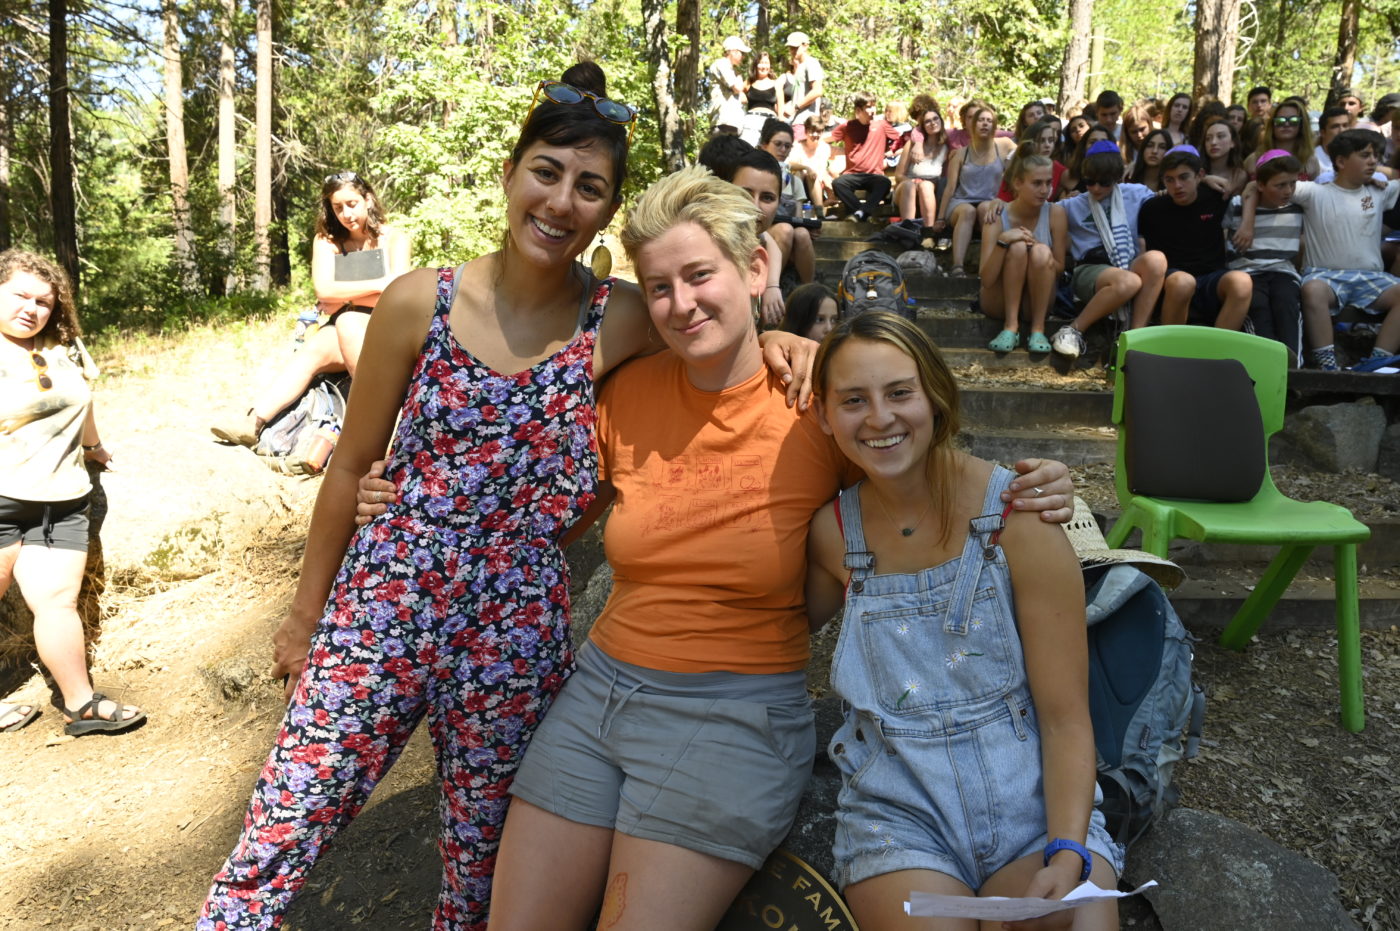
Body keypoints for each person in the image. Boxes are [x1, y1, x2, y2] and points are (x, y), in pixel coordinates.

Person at [197, 78, 813, 931]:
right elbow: (349, 468)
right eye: (546, 172)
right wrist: (305, 618)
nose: (561, 202)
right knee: (287, 816)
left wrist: (781, 337)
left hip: (516, 625)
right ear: (509, 174)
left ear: (607, 212)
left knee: (479, 862)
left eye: (589, 187)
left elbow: (708, 333)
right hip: (385, 600)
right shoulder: (420, 300)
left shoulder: (621, 317)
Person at [457, 166, 1075, 931]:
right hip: (599, 692)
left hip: (734, 714)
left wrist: (1036, 485)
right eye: (659, 287)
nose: (680, 304)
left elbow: (929, 475)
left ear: (754, 268)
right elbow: (538, 513)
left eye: (699, 275)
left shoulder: (818, 405)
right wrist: (401, 495)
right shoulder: (626, 392)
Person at [806, 312, 1121, 931]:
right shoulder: (833, 534)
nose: (879, 418)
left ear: (935, 395)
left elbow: (1064, 716)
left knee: (1071, 920)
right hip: (899, 821)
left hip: (1033, 807)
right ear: (824, 415)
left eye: (900, 392)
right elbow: (771, 630)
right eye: (853, 400)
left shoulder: (1020, 516)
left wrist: (1068, 848)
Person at [0, 249, 144, 737]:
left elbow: (82, 401)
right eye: (21, 295)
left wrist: (94, 447)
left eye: (43, 301)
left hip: (61, 501)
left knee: (57, 604)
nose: (32, 308)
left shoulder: (60, 346)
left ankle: (81, 705)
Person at [211, 172, 411, 451]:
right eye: (338, 207)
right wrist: (378, 285)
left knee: (348, 320)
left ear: (368, 200)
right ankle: (254, 422)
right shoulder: (327, 241)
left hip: (383, 324)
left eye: (352, 204)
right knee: (315, 347)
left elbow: (398, 291)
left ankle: (380, 423)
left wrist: (344, 295)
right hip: (341, 326)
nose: (346, 214)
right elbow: (324, 292)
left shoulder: (395, 238)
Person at [1238, 130, 1400, 371]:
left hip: (1371, 277)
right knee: (1312, 290)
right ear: (1341, 161)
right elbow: (1255, 186)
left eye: (1376, 155)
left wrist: (1381, 176)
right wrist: (1247, 223)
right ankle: (1328, 366)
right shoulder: (1313, 192)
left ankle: (1377, 362)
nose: (1373, 161)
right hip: (1325, 277)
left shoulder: (1380, 191)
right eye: (1365, 155)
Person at [1051, 141, 1169, 359]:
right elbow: (1035, 209)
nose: (1096, 188)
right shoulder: (1073, 204)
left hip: (1127, 263)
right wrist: (997, 204)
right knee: (1128, 282)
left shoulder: (1137, 194)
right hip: (1091, 268)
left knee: (1156, 260)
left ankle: (1134, 339)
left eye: (1104, 183)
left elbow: (1170, 197)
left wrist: (1206, 180)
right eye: (1090, 182)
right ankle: (1072, 330)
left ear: (1116, 179)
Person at [1139, 146, 1253, 331]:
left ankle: (1219, 346)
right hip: (1173, 279)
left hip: (1212, 277)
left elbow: (1251, 188)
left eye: (1184, 177)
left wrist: (1247, 224)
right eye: (1170, 180)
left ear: (1199, 175)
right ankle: (1170, 345)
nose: (1177, 185)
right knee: (1183, 282)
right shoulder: (1152, 208)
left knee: (1242, 282)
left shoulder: (1217, 197)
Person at [979, 143, 1068, 354]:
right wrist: (1003, 241)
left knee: (1041, 251)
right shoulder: (997, 215)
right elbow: (986, 279)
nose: (1044, 190)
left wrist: (1036, 247)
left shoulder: (1055, 213)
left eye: (1048, 183)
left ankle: (1038, 329)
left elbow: (1059, 269)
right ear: (1018, 183)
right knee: (1017, 247)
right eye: (1037, 183)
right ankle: (1010, 326)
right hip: (998, 299)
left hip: (1035, 300)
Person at [1222, 151, 1306, 361]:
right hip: (1247, 271)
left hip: (1282, 271)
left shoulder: (1298, 206)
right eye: (1280, 185)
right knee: (1257, 306)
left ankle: (1292, 366)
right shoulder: (1237, 205)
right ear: (1261, 185)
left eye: (1292, 184)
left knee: (1287, 302)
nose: (1288, 191)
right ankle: (1264, 362)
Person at [936, 105, 1016, 275]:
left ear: (994, 126)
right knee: (968, 211)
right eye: (980, 120)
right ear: (973, 125)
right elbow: (950, 187)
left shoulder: (1004, 145)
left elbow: (1027, 152)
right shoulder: (960, 154)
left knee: (986, 208)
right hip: (961, 202)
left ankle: (987, 268)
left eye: (989, 121)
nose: (985, 124)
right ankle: (957, 266)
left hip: (990, 201)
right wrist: (940, 217)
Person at [759, 118, 817, 285]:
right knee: (785, 230)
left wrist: (810, 227)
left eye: (787, 146)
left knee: (802, 233)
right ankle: (771, 286)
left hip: (787, 234)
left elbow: (798, 218)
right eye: (778, 144)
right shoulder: (756, 175)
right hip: (760, 231)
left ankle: (809, 288)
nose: (783, 150)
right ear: (765, 145)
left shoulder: (794, 182)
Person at [828, 92, 902, 222]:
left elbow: (903, 140)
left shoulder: (881, 125)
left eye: (874, 106)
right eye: (869, 107)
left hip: (875, 175)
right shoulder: (848, 126)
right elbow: (826, 139)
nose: (873, 110)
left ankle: (858, 214)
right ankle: (863, 213)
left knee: (885, 183)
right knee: (838, 183)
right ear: (858, 110)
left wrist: (891, 152)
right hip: (852, 174)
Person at [893, 105, 949, 235]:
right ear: (923, 126)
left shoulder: (946, 147)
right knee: (910, 185)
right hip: (906, 188)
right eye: (927, 121)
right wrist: (914, 182)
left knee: (926, 186)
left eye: (935, 119)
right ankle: (908, 232)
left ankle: (928, 232)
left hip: (930, 190)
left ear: (941, 120)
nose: (932, 123)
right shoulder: (913, 144)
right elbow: (899, 175)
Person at [997, 119, 1066, 201]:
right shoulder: (1015, 169)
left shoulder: (1058, 168)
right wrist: (998, 202)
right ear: (1030, 142)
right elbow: (1002, 200)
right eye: (1041, 141)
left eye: (1051, 140)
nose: (1047, 145)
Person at [1244, 98, 1314, 178]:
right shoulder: (1254, 159)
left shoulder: (1310, 161)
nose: (1286, 124)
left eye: (1294, 120)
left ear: (1302, 125)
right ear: (1272, 125)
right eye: (1280, 121)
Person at [788, 114, 836, 210]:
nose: (815, 135)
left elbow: (822, 171)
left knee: (813, 176)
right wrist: (807, 168)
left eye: (818, 132)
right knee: (799, 172)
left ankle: (819, 210)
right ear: (806, 131)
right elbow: (791, 165)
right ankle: (795, 207)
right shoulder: (797, 146)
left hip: (816, 184)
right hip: (799, 183)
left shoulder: (824, 148)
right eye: (812, 131)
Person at [1056, 123, 1114, 200]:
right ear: (1084, 146)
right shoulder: (1068, 176)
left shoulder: (1120, 176)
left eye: (1103, 142)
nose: (1098, 146)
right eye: (1093, 142)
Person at [783, 32, 825, 134]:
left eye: (795, 47)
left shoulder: (811, 63)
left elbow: (817, 91)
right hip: (797, 121)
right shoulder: (800, 66)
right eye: (790, 48)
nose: (792, 51)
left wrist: (795, 107)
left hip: (807, 122)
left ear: (805, 46)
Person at [709, 36, 750, 134]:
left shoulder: (732, 70)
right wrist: (739, 76)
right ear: (733, 51)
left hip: (733, 122)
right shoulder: (722, 64)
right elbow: (737, 88)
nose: (743, 57)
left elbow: (743, 99)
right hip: (723, 121)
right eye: (742, 53)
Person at [1200, 118, 1249, 198]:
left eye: (1220, 136)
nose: (1213, 142)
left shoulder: (1239, 176)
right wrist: (1204, 179)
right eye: (1208, 138)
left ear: (1233, 142)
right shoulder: (1196, 170)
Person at [1310, 106, 1353, 176]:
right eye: (1335, 126)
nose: (1342, 130)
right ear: (1323, 133)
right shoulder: (1310, 159)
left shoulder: (1355, 157)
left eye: (1345, 125)